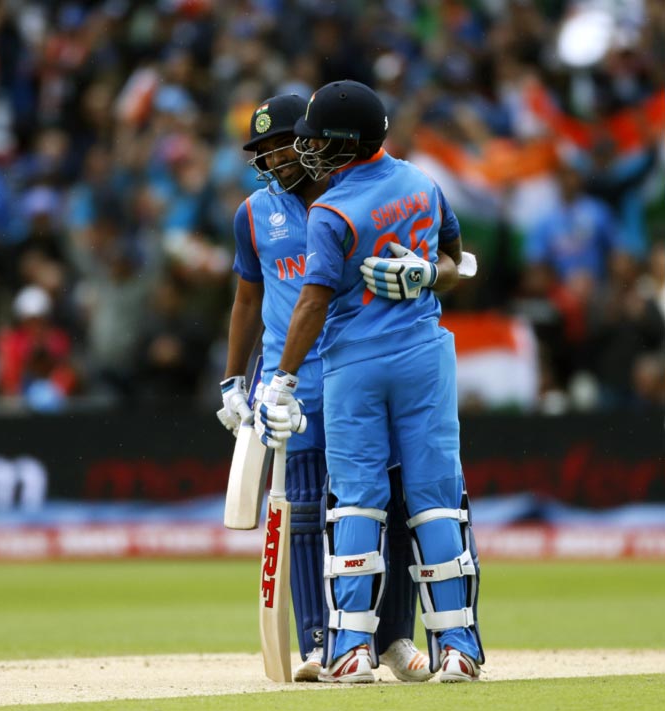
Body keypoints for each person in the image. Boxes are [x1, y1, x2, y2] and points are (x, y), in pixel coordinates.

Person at [254, 80, 485, 683]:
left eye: (314, 139)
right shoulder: (423, 183)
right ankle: (457, 648)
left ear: (345, 143)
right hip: (426, 357)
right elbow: (464, 263)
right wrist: (429, 274)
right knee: (436, 501)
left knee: (357, 501)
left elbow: (310, 302)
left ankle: (351, 650)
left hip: (353, 365)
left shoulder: (330, 211)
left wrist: (279, 381)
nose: (305, 150)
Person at [217, 94, 432, 683]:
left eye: (278, 144)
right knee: (306, 510)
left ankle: (391, 640)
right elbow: (246, 297)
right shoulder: (254, 214)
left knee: (383, 504)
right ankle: (319, 641)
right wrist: (236, 379)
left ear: (313, 142)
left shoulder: (358, 200)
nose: (270, 159)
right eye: (259, 150)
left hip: (362, 368)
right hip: (295, 387)